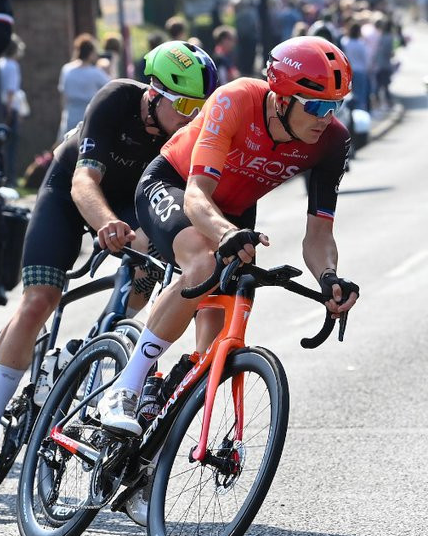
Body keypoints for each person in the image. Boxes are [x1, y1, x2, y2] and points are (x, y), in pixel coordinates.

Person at [0, 41, 219, 477]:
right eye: (184, 103)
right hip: (69, 192)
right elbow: (84, 181)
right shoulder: (116, 99)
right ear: (153, 92)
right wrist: (104, 222)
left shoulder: (187, 135)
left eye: (201, 106)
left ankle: (107, 353)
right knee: (40, 299)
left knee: (140, 288)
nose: (192, 115)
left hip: (132, 206)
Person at [99, 36, 359, 447]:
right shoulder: (235, 100)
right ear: (280, 97)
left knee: (214, 349)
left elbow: (319, 234)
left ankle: (148, 450)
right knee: (202, 264)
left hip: (235, 212)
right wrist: (222, 234)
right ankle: (125, 389)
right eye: (316, 106)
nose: (326, 117)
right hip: (175, 185)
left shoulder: (332, 142)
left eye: (335, 105)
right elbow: (198, 196)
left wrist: (329, 277)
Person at [56, 33, 111, 140]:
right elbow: (111, 86)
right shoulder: (95, 72)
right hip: (89, 116)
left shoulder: (66, 69)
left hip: (70, 115)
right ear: (90, 53)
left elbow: (63, 96)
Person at [0, 33, 26, 186]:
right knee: (11, 145)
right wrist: (10, 110)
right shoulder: (12, 65)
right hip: (9, 108)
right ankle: (11, 179)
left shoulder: (1, 63)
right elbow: (11, 91)